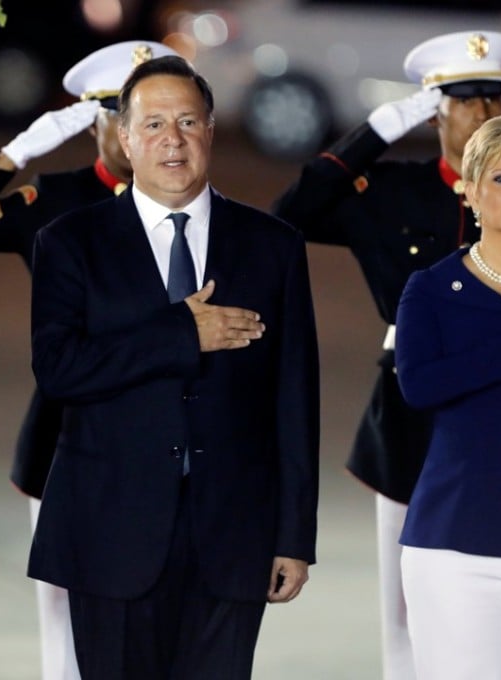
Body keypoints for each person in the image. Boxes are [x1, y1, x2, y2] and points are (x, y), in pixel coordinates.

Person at [28, 55, 320, 679]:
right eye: (154, 124)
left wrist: (294, 536)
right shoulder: (70, 242)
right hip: (111, 532)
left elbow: (295, 399)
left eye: (188, 121)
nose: (173, 140)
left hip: (235, 533)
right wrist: (179, 334)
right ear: (125, 138)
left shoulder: (273, 245)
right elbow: (59, 371)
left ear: (211, 130)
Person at [273, 30, 501, 679]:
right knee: (409, 613)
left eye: (494, 98)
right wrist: (376, 130)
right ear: (432, 108)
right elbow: (286, 220)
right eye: (462, 100)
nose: (481, 114)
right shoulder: (388, 191)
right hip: (412, 412)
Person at [0, 39, 177, 680]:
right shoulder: (56, 198)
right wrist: (12, 156)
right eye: (118, 115)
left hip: (172, 439)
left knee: (166, 629)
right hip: (72, 438)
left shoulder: (193, 199)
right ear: (93, 121)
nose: (134, 131)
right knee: (68, 640)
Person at [395, 110, 501, 679]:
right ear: (469, 190)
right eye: (500, 178)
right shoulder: (431, 290)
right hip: (457, 547)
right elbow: (419, 385)